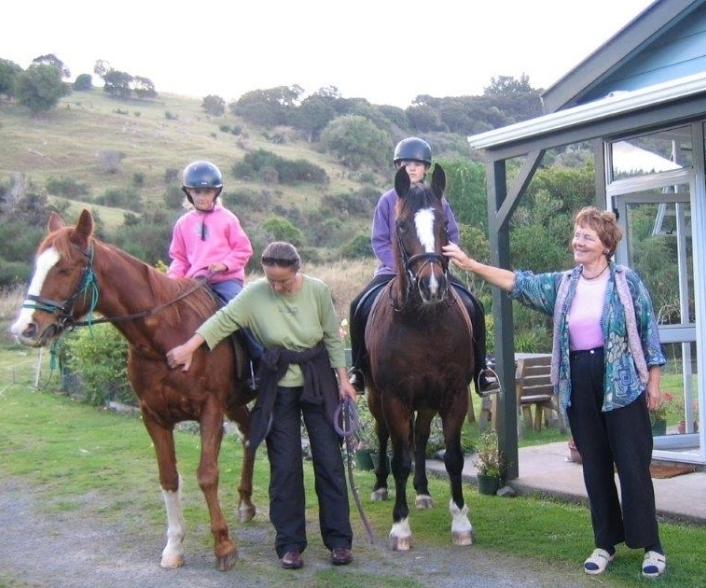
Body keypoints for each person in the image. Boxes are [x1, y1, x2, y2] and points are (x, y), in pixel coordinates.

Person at [442, 206, 668, 578]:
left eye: (587, 237)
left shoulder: (627, 282)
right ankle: (605, 542)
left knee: (632, 466)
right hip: (579, 379)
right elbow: (520, 283)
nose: (578, 242)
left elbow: (649, 334)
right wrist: (471, 265)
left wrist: (654, 384)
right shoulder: (565, 283)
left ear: (606, 245)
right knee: (594, 466)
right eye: (577, 234)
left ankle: (651, 546)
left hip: (623, 383)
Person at [166, 242, 358, 570]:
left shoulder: (317, 291)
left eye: (283, 281)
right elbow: (222, 321)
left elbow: (332, 338)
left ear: (297, 271)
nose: (276, 286)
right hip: (278, 386)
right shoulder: (255, 294)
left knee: (329, 461)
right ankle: (290, 544)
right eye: (271, 280)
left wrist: (343, 380)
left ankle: (339, 541)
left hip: (317, 381)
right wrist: (188, 347)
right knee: (284, 468)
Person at [347, 136, 500, 396]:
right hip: (393, 273)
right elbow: (380, 240)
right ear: (398, 168)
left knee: (474, 304)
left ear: (426, 168)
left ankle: (481, 371)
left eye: (417, 164)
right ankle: (359, 370)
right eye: (406, 163)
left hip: (434, 268)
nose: (412, 168)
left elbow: (449, 231)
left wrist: (442, 260)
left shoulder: (437, 199)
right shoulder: (387, 200)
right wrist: (399, 269)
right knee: (357, 305)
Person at [166, 160, 253, 304]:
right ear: (188, 192)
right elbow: (179, 259)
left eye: (207, 192)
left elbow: (243, 249)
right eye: (197, 192)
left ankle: (251, 327)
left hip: (226, 280)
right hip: (195, 281)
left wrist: (225, 265)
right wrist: (172, 280)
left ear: (216, 192)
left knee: (235, 311)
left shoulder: (227, 219)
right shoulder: (183, 224)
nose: (201, 197)